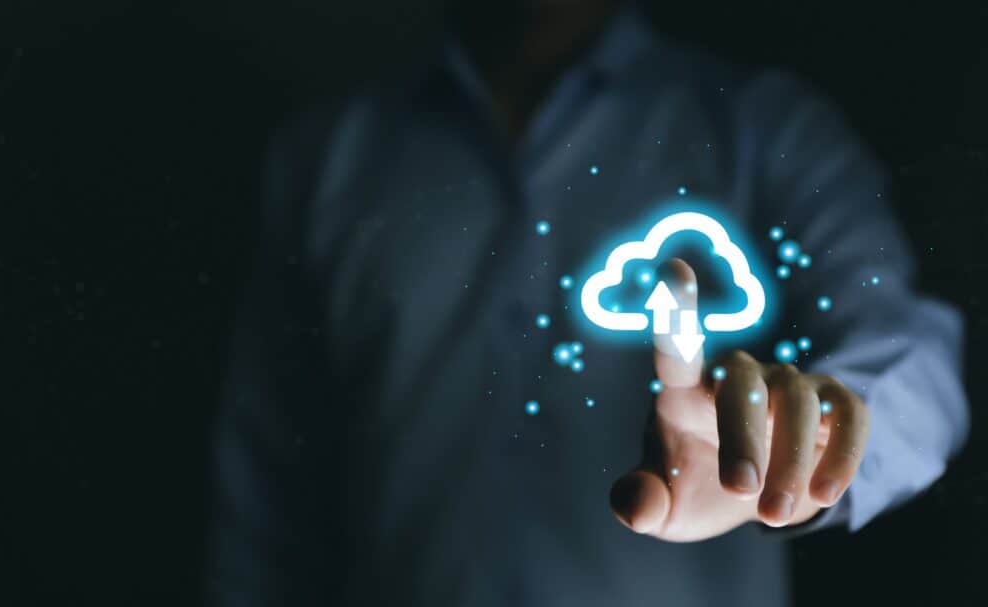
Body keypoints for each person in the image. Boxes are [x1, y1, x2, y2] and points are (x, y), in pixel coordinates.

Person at [208, 2, 969, 605]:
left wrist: (819, 443)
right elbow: (266, 490)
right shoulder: (326, 157)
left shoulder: (763, 126)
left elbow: (911, 353)